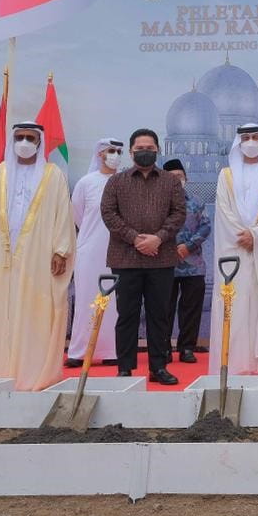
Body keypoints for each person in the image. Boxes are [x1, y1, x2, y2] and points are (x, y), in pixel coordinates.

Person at [0, 122, 76, 390]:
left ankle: (31, 375)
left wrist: (61, 250)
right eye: (19, 137)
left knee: (35, 312)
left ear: (39, 143)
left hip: (38, 259)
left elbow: (64, 214)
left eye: (30, 138)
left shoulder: (53, 176)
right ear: (12, 140)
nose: (25, 142)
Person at [100, 128, 187, 384]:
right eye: (140, 149)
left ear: (158, 150)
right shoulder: (116, 181)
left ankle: (158, 367)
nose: (145, 152)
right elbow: (108, 214)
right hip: (125, 258)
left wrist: (158, 238)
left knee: (158, 315)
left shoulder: (170, 182)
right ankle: (125, 367)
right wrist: (135, 239)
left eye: (149, 148)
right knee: (127, 315)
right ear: (131, 152)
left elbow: (178, 213)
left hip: (161, 258)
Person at [208, 123, 258, 381]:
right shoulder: (226, 175)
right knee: (235, 300)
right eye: (246, 137)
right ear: (238, 142)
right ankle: (233, 364)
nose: (252, 141)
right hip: (235, 248)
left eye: (256, 137)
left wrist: (256, 235)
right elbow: (223, 210)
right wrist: (243, 235)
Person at [65, 138, 123, 368]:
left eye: (119, 151)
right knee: (86, 300)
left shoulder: (124, 181)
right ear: (100, 154)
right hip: (89, 250)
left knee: (115, 304)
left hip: (119, 251)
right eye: (111, 151)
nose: (116, 155)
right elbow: (77, 214)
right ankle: (78, 351)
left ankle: (111, 350)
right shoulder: (86, 182)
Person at [163, 158, 211, 364]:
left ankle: (187, 348)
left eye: (179, 177)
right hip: (165, 265)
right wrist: (170, 248)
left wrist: (187, 245)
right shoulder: (157, 205)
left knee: (191, 309)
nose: (177, 180)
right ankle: (163, 348)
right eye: (171, 178)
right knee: (163, 309)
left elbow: (206, 227)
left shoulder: (197, 202)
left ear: (186, 178)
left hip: (194, 266)